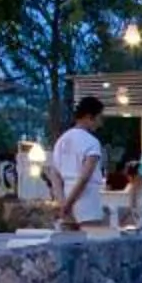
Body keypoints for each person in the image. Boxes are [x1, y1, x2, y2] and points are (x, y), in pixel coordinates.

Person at [51, 95, 108, 228]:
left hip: (66, 202)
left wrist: (63, 204)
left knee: (69, 246)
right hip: (88, 205)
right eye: (99, 118)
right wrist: (68, 204)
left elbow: (55, 175)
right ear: (89, 117)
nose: (100, 123)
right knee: (90, 246)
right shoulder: (92, 143)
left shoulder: (61, 140)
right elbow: (84, 178)